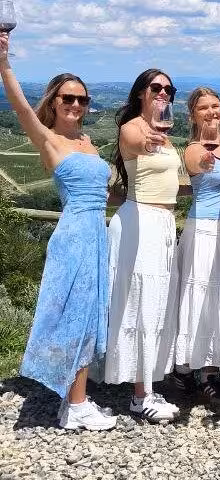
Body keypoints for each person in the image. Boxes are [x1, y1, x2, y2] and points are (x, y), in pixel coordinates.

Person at [0, 33, 116, 430]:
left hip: (97, 235)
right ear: (53, 102)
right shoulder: (48, 139)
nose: (76, 105)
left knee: (88, 315)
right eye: (68, 98)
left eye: (82, 99)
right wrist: (4, 63)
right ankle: (77, 404)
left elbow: (106, 192)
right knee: (74, 315)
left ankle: (75, 402)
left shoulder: (88, 143)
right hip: (74, 236)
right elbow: (19, 108)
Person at [105, 69, 181, 422]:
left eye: (168, 89)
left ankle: (146, 384)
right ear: (141, 93)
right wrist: (154, 134)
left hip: (163, 223)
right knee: (141, 304)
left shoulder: (163, 133)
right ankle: (141, 396)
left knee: (156, 304)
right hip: (141, 222)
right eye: (156, 87)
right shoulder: (132, 127)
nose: (163, 92)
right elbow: (139, 143)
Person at [168, 87, 220, 403]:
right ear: (193, 115)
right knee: (203, 298)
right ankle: (199, 370)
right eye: (203, 108)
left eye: (215, 106)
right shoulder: (193, 147)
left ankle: (219, 366)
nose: (211, 112)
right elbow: (199, 164)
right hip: (205, 231)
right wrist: (208, 158)